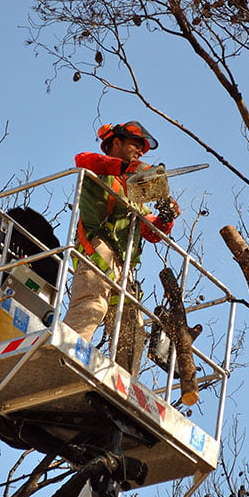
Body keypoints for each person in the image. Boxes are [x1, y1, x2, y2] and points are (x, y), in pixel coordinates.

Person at [62, 121, 180, 374]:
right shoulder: (99, 169)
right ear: (116, 142)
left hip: (123, 267)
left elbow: (151, 231)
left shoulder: (134, 191)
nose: (140, 152)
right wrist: (128, 168)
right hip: (98, 248)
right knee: (92, 306)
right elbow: (82, 159)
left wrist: (167, 217)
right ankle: (64, 357)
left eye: (142, 149)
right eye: (135, 146)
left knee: (132, 327)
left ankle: (126, 381)